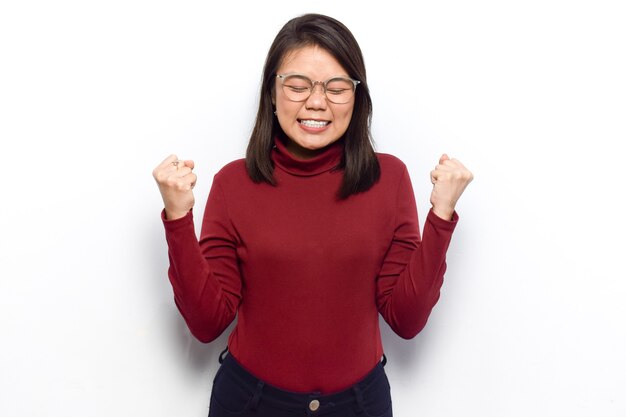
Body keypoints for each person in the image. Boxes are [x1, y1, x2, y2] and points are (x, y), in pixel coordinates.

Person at [152, 13, 472, 417]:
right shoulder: (233, 183)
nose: (317, 102)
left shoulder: (389, 178)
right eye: (298, 86)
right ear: (272, 92)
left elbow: (406, 320)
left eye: (336, 87)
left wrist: (441, 215)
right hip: (249, 401)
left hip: (359, 404)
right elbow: (206, 323)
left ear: (357, 97)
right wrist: (178, 218)